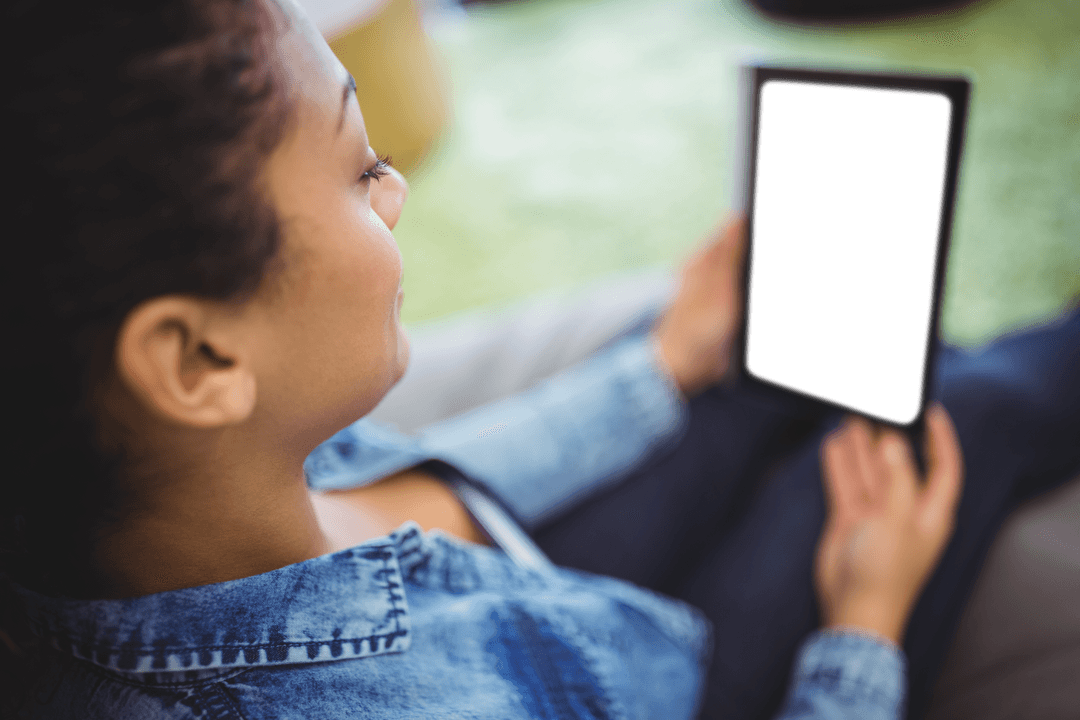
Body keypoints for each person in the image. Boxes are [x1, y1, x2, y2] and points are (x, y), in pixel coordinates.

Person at [3, 0, 1079, 718]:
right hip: (678, 688)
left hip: (550, 601)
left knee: (773, 348)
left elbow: (435, 492)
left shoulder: (182, 496)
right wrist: (864, 626)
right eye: (360, 166)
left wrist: (656, 367)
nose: (398, 190)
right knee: (965, 413)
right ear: (197, 358)